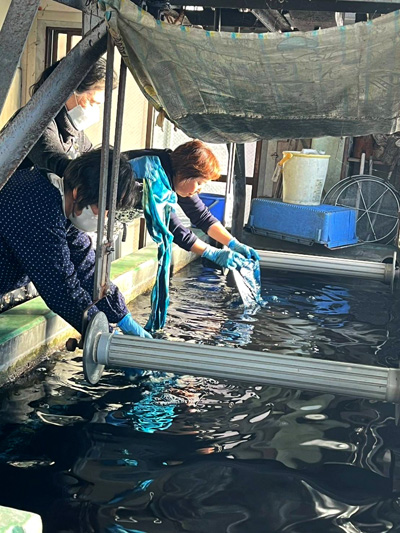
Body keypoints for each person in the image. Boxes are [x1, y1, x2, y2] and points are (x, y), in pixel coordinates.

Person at [0, 148, 151, 338]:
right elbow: (60, 286)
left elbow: (86, 267)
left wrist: (121, 314)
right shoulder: (37, 206)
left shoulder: (57, 200)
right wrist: (104, 335)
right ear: (79, 192)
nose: (105, 217)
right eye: (103, 208)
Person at [126, 140, 259, 270]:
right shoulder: (155, 177)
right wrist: (212, 253)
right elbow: (173, 227)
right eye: (199, 183)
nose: (200, 190)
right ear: (186, 174)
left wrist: (233, 243)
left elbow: (201, 216)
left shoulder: (173, 172)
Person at [17, 56, 118, 174]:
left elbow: (92, 157)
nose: (95, 109)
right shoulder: (36, 121)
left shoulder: (73, 130)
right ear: (70, 90)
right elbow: (58, 164)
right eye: (92, 102)